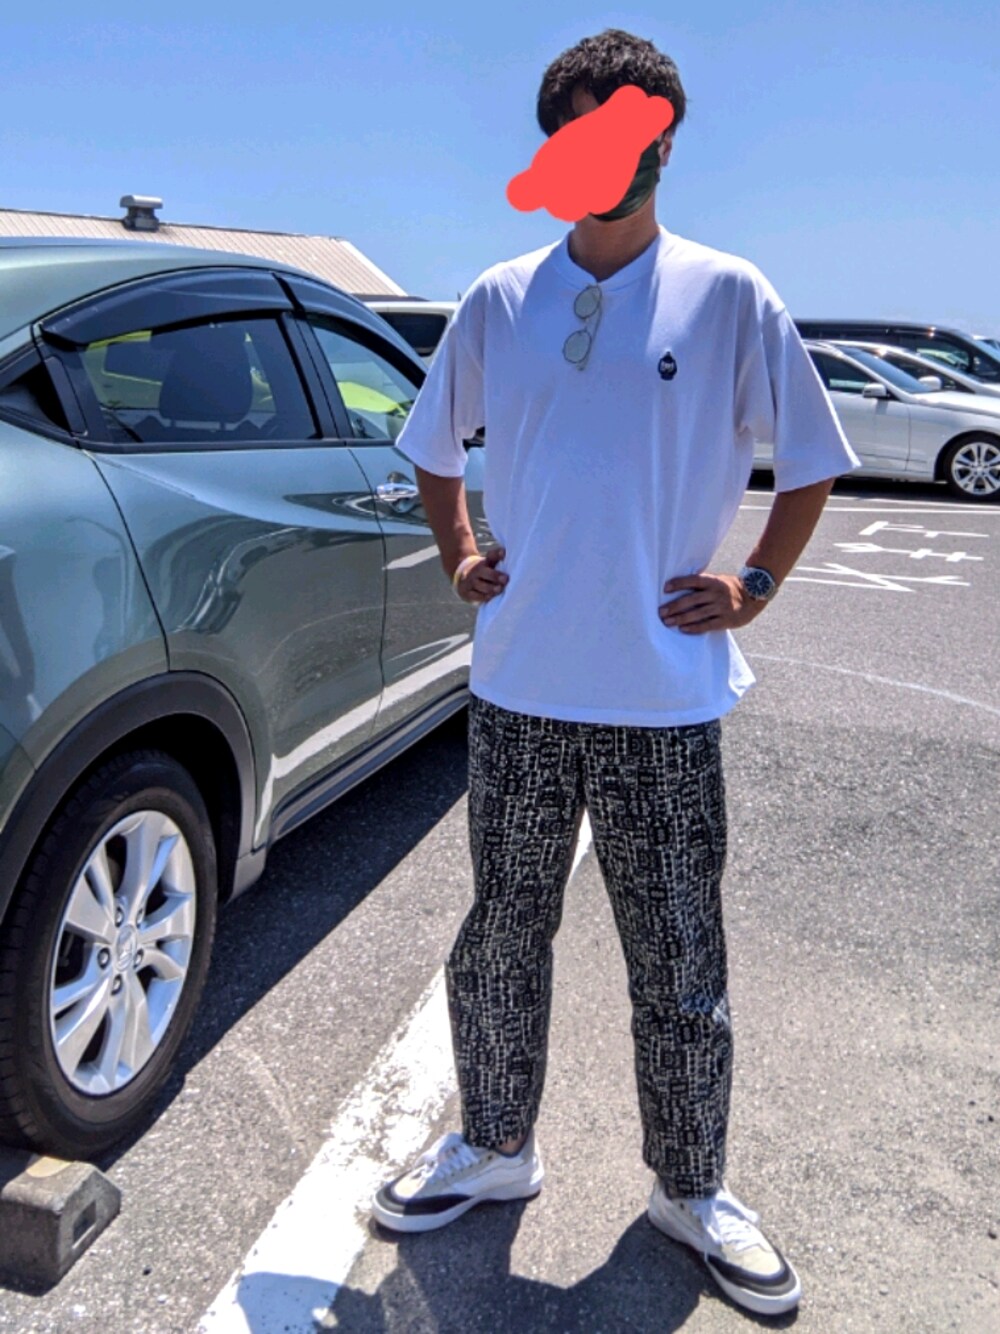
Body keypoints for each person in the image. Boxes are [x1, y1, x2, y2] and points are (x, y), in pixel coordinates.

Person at [371, 27, 859, 1319]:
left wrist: (754, 586)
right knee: (502, 934)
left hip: (664, 696)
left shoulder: (728, 294)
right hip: (520, 690)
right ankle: (494, 1145)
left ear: (666, 140)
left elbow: (811, 460)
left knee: (679, 953)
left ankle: (691, 1188)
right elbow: (433, 444)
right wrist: (459, 548)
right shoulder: (500, 298)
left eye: (629, 129)